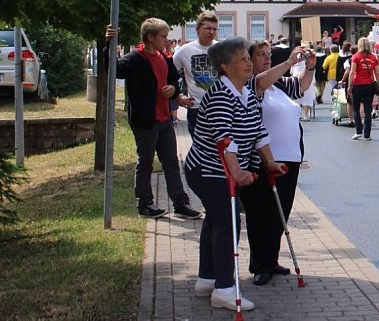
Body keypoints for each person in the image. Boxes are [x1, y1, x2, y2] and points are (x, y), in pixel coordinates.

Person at [183, 37, 288, 312]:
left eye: (246, 57)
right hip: (210, 170)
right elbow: (224, 140)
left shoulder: (244, 91)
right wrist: (238, 171)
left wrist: (270, 162)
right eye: (242, 59)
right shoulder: (220, 94)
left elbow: (258, 131)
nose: (248, 62)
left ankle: (207, 279)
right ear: (226, 67)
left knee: (216, 222)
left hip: (221, 170)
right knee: (228, 224)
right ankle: (224, 289)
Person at [107, 20, 202, 220]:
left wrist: (173, 90)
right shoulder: (134, 59)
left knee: (172, 162)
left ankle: (180, 203)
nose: (166, 40)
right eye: (163, 36)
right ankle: (145, 204)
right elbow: (115, 70)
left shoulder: (163, 57)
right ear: (150, 37)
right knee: (146, 163)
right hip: (145, 121)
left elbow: (173, 81)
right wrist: (109, 44)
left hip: (164, 118)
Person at [240, 40, 315, 287]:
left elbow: (301, 86)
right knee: (261, 212)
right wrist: (288, 62)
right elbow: (262, 82)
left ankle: (271, 259)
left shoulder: (280, 84)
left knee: (280, 213)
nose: (266, 58)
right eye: (260, 55)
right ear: (249, 60)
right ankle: (260, 264)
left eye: (268, 54)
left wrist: (311, 67)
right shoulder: (251, 83)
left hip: (290, 157)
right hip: (265, 159)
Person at [172, 11, 219, 139]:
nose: (212, 32)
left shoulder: (222, 49)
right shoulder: (184, 51)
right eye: (208, 28)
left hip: (221, 108)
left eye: (215, 29)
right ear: (197, 30)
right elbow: (169, 74)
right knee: (199, 148)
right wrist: (178, 97)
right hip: (197, 109)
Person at [347, 37, 379, 140]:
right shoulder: (373, 58)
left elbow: (352, 72)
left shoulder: (355, 57)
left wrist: (349, 86)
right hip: (369, 85)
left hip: (357, 85)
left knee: (356, 108)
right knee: (368, 110)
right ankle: (367, 134)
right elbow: (377, 74)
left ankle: (358, 131)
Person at [336, 42, 354, 126]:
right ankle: (360, 119)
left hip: (346, 77)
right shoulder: (355, 57)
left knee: (349, 101)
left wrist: (341, 79)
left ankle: (350, 120)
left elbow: (342, 68)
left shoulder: (342, 57)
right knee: (361, 102)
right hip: (359, 80)